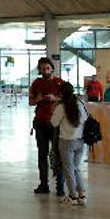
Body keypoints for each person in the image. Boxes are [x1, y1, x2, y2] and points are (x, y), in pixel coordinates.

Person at [29, 57, 65, 195]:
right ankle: (43, 184)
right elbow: (31, 102)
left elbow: (68, 99)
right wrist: (37, 99)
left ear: (52, 68)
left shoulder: (59, 83)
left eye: (47, 68)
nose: (45, 71)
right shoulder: (36, 83)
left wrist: (55, 98)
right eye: (43, 69)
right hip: (40, 123)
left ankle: (60, 187)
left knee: (57, 154)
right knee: (42, 155)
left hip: (55, 123)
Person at [51, 82, 88, 206]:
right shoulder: (80, 103)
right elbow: (85, 119)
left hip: (66, 141)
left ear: (61, 93)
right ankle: (82, 195)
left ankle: (72, 196)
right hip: (80, 141)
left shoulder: (61, 107)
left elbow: (54, 123)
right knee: (76, 168)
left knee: (69, 169)